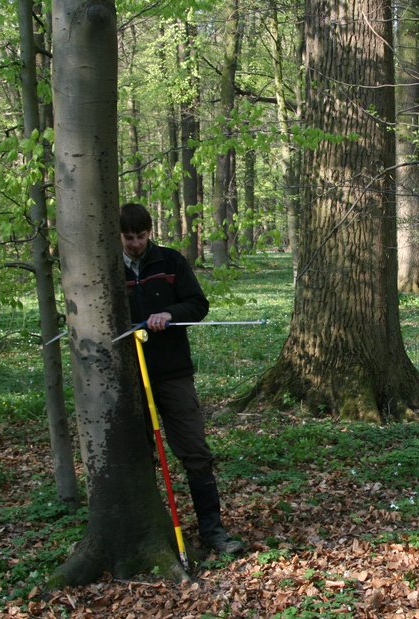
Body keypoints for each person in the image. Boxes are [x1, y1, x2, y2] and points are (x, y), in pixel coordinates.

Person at [120, 202, 245, 555]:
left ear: (149, 233)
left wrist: (169, 313)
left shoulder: (171, 261)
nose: (134, 244)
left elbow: (197, 304)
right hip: (126, 378)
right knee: (137, 455)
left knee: (195, 451)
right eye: (128, 237)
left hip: (173, 372)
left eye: (140, 236)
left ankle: (212, 532)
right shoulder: (106, 266)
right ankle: (146, 534)